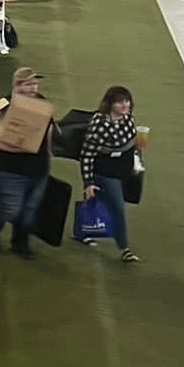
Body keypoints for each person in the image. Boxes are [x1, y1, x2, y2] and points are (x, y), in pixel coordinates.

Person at [0, 67, 54, 259]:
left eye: (35, 83)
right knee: (11, 209)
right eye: (28, 84)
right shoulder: (1, 105)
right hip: (8, 169)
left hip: (38, 169)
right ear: (16, 85)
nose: (33, 88)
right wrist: (19, 147)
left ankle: (20, 243)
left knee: (29, 212)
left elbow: (48, 135)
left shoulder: (43, 104)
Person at [80, 86, 141, 263]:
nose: (125, 105)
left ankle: (83, 231)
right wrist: (88, 181)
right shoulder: (99, 125)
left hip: (125, 170)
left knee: (96, 199)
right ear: (110, 104)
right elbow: (87, 155)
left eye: (127, 101)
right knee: (117, 207)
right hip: (106, 172)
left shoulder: (127, 117)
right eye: (120, 101)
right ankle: (124, 248)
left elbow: (131, 140)